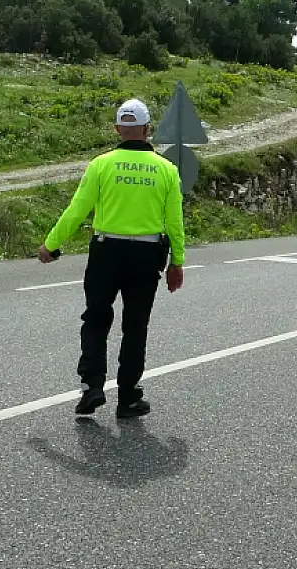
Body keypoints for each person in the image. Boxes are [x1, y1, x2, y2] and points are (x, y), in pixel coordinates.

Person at [38, 98, 186, 418]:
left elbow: (77, 210)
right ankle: (128, 397)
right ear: (147, 129)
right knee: (135, 325)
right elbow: (175, 222)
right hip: (147, 255)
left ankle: (92, 387)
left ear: (118, 129)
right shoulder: (167, 170)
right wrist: (177, 261)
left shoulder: (101, 164)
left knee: (96, 318)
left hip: (106, 251)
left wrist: (51, 244)